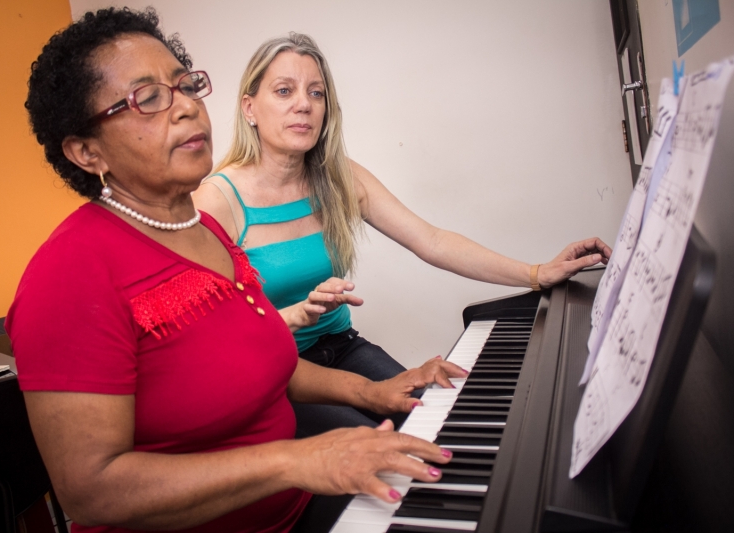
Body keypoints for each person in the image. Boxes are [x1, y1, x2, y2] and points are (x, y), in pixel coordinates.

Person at [8, 8, 465, 533]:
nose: (183, 107)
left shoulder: (204, 232)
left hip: (290, 506)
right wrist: (298, 460)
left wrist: (372, 390)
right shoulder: (68, 273)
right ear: (86, 151)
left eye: (184, 85)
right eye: (148, 98)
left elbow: (265, 365)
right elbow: (92, 492)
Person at [193, 32, 612, 437]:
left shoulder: (341, 177)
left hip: (343, 347)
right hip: (280, 370)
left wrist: (537, 273)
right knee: (380, 448)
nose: (304, 104)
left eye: (316, 93)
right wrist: (291, 316)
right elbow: (211, 337)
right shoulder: (216, 200)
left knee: (438, 424)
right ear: (250, 107)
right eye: (284, 91)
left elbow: (431, 241)